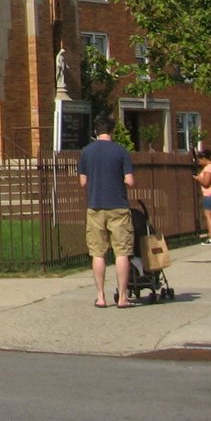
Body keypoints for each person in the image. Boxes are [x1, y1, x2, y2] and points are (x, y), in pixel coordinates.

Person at [77, 115, 136, 308]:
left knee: (97, 252)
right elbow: (130, 181)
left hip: (95, 205)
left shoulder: (86, 152)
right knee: (122, 252)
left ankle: (101, 296)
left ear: (96, 131)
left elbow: (83, 182)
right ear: (112, 131)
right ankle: (123, 297)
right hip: (118, 205)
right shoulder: (121, 151)